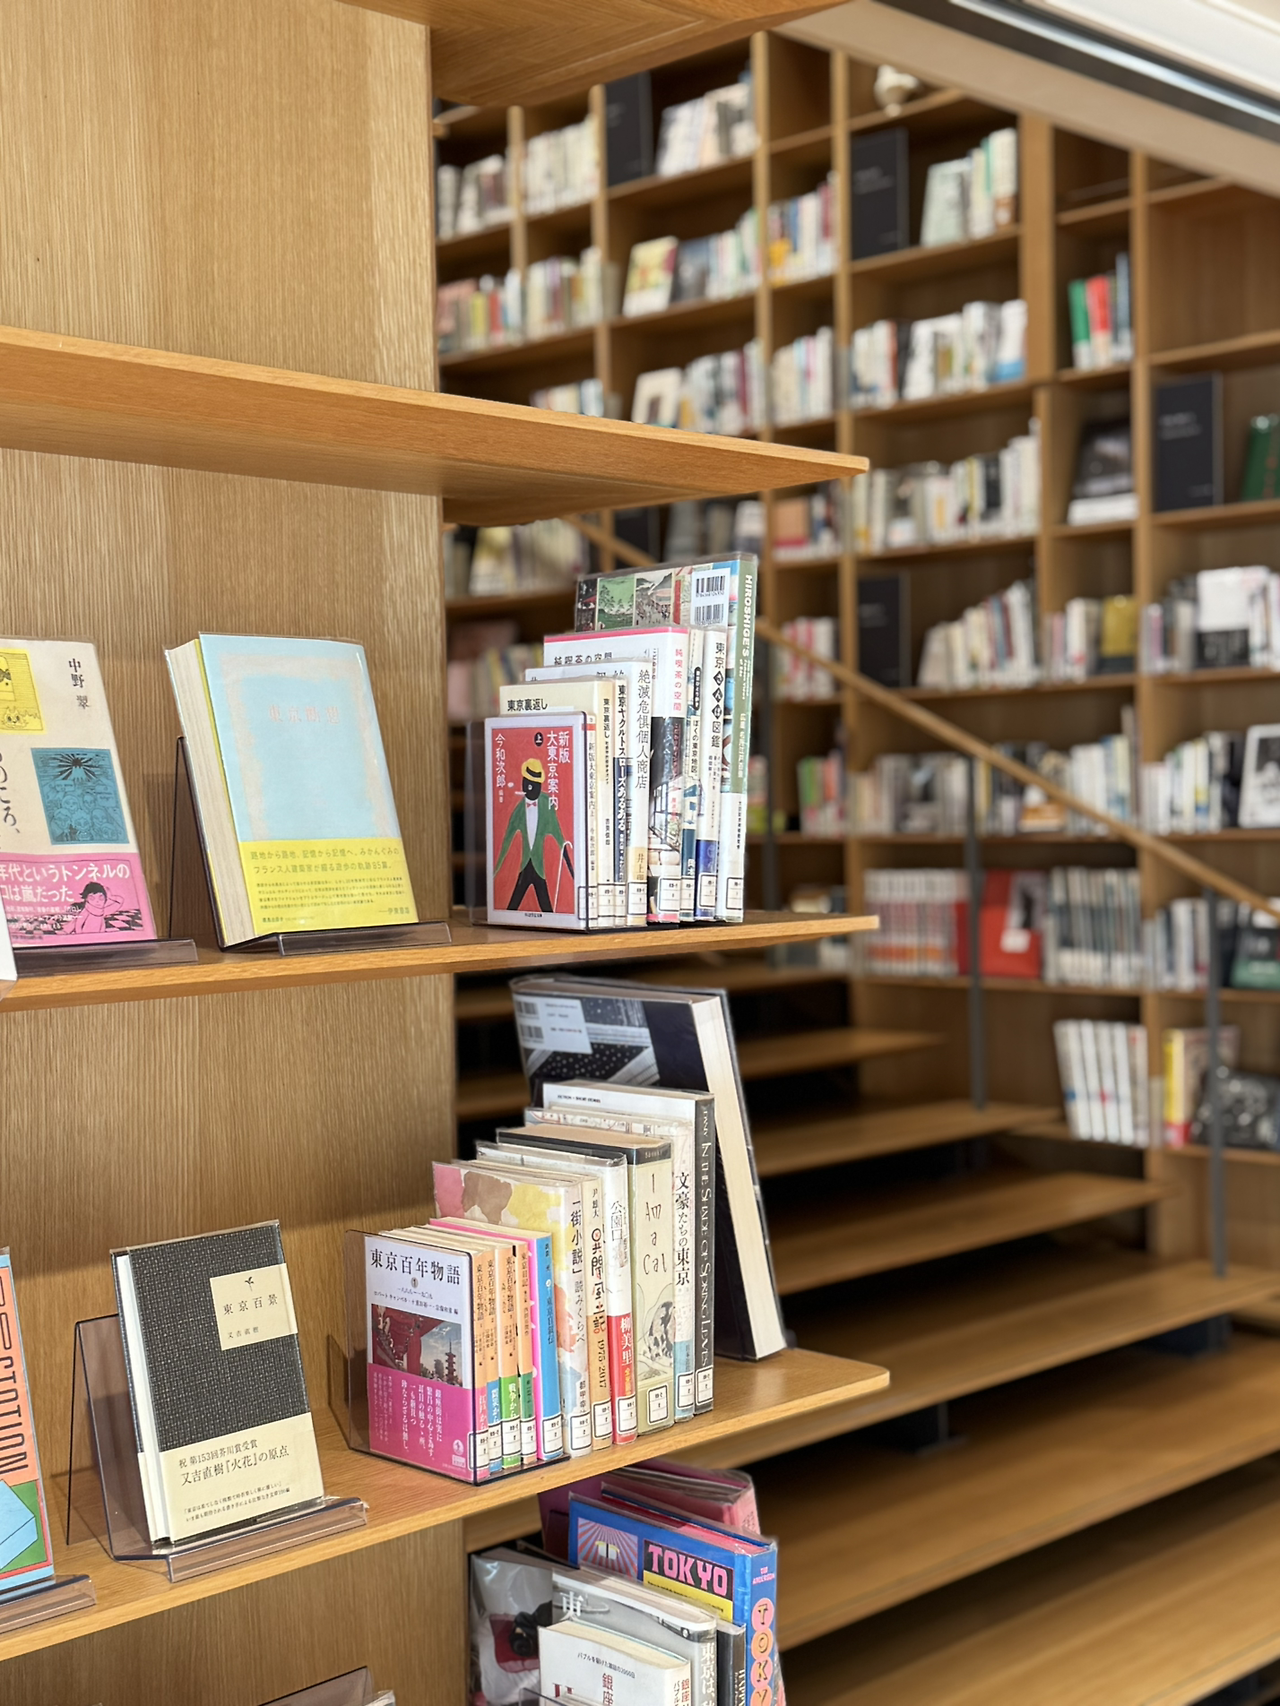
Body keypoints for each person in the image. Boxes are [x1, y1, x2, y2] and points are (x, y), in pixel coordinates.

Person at [494, 756, 573, 912]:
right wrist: (495, 870)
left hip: (539, 868)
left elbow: (560, 838)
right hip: (525, 866)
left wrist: (571, 870)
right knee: (511, 909)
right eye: (527, 783)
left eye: (534, 784)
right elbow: (506, 841)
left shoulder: (546, 804)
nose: (529, 788)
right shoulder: (519, 810)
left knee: (547, 910)